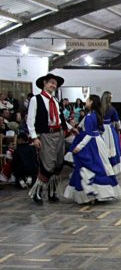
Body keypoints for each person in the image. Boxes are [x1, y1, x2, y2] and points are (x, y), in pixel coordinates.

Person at [64, 94, 121, 204]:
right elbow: (99, 130)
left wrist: (79, 146)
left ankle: (93, 194)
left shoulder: (91, 116)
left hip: (91, 144)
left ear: (91, 102)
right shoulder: (95, 114)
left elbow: (89, 134)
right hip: (98, 142)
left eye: (87, 100)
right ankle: (99, 193)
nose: (85, 101)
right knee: (100, 166)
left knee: (90, 167)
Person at [27, 72, 75, 204]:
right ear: (45, 83)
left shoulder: (55, 100)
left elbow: (60, 118)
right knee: (48, 165)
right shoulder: (36, 99)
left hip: (59, 133)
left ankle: (52, 191)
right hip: (46, 135)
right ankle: (36, 192)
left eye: (55, 84)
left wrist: (71, 128)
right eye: (51, 83)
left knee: (58, 164)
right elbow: (30, 120)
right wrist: (34, 137)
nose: (53, 86)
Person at [101, 91, 121, 174]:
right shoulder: (112, 108)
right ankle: (113, 167)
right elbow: (117, 120)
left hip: (99, 129)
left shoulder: (98, 108)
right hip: (109, 130)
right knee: (113, 146)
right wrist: (119, 129)